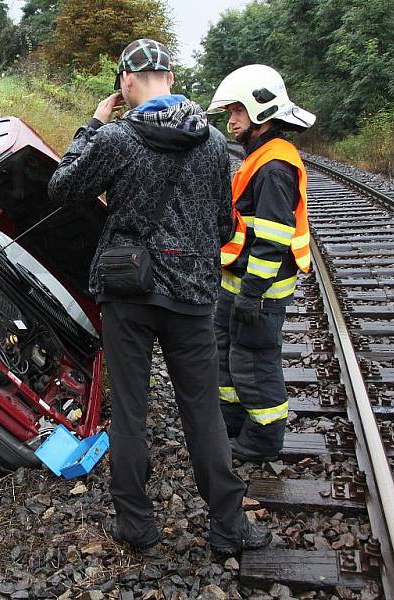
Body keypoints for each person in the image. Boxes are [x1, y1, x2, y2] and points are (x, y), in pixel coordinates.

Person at [48, 39, 271, 555]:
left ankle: (137, 525)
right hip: (193, 295)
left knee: (130, 411)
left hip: (128, 293)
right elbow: (222, 225)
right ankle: (229, 526)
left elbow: (61, 187)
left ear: (127, 82)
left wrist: (92, 126)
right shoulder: (216, 143)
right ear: (170, 78)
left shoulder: (116, 139)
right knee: (203, 411)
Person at [206, 64, 316, 462]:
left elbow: (272, 238)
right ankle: (232, 423)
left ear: (260, 112)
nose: (231, 120)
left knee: (254, 362)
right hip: (237, 285)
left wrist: (252, 293)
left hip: (259, 290)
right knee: (229, 354)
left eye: (237, 112)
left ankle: (263, 441)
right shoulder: (260, 157)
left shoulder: (274, 166)